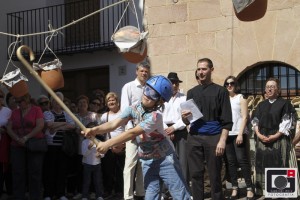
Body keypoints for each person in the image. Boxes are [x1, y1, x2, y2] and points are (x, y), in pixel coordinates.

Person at [83, 75, 191, 200]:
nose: (147, 95)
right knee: (150, 196)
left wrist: (107, 144)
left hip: (165, 160)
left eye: (154, 95)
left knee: (180, 194)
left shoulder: (155, 117)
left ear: (160, 101)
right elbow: (114, 124)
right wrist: (93, 130)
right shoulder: (133, 108)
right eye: (147, 89)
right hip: (147, 160)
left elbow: (132, 133)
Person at [181, 58, 233, 200]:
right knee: (195, 175)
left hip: (214, 137)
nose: (201, 72)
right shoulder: (191, 92)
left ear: (211, 70)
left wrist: (222, 141)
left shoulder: (221, 91)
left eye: (204, 69)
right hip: (194, 137)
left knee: (215, 175)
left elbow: (227, 121)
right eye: (198, 69)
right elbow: (186, 120)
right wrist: (184, 118)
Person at [252, 77, 296, 197]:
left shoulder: (285, 104)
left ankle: (279, 193)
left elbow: (287, 122)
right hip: (262, 140)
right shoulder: (261, 105)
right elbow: (255, 121)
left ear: (278, 90)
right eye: (267, 87)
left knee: (278, 165)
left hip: (279, 140)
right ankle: (266, 192)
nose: (269, 89)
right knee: (263, 165)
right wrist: (259, 135)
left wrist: (275, 136)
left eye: (272, 86)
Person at [6, 93, 45, 200]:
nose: (18, 104)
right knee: (18, 172)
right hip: (17, 145)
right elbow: (9, 128)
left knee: (35, 173)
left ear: (26, 100)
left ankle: (35, 197)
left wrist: (26, 137)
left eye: (20, 102)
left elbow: (40, 125)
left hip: (34, 143)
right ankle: (19, 197)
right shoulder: (14, 112)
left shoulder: (36, 109)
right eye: (16, 102)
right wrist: (17, 139)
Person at [121, 61, 150, 200]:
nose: (144, 73)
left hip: (146, 130)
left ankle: (140, 193)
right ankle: (128, 196)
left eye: (146, 71)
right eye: (142, 71)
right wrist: (131, 131)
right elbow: (125, 110)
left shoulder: (149, 88)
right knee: (130, 163)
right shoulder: (128, 87)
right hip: (132, 130)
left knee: (142, 163)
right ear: (136, 71)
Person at [223, 76, 254, 200]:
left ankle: (249, 188)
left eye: (232, 83)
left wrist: (240, 133)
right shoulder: (224, 100)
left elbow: (245, 117)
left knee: (242, 160)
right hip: (227, 134)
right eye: (227, 84)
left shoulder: (241, 98)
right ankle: (235, 188)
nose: (229, 85)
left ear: (236, 85)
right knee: (230, 162)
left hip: (238, 133)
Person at [43, 92, 76, 200]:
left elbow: (72, 125)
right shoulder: (47, 113)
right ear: (51, 102)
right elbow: (49, 124)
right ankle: (48, 194)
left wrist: (56, 126)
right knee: (50, 171)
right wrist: (64, 124)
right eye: (55, 101)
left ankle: (61, 194)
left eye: (59, 101)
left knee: (62, 171)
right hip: (51, 146)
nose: (57, 103)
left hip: (63, 147)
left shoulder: (66, 114)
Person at [163, 72, 188, 183]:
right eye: (172, 83)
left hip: (180, 130)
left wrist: (174, 128)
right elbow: (158, 115)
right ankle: (167, 189)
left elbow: (187, 117)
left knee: (183, 161)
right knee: (167, 161)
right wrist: (166, 129)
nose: (174, 85)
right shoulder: (162, 98)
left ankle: (184, 188)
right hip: (164, 130)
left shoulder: (184, 98)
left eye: (176, 83)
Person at [100, 92, 125, 198]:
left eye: (113, 100)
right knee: (108, 171)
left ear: (117, 102)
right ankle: (108, 190)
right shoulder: (104, 116)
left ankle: (119, 191)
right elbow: (102, 131)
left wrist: (122, 145)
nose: (111, 102)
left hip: (121, 147)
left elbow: (128, 129)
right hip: (109, 148)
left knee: (120, 171)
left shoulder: (124, 114)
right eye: (109, 100)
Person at [81, 122, 104, 200]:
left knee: (98, 181)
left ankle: (99, 195)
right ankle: (84, 196)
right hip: (87, 164)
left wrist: (100, 155)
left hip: (97, 164)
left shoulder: (99, 141)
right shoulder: (84, 142)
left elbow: (103, 153)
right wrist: (89, 148)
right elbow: (84, 154)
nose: (91, 134)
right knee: (86, 181)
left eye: (93, 132)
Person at [0, 89, 12, 198]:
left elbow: (11, 126)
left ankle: (8, 191)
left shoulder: (7, 111)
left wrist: (5, 130)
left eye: (0, 96)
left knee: (5, 167)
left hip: (4, 143)